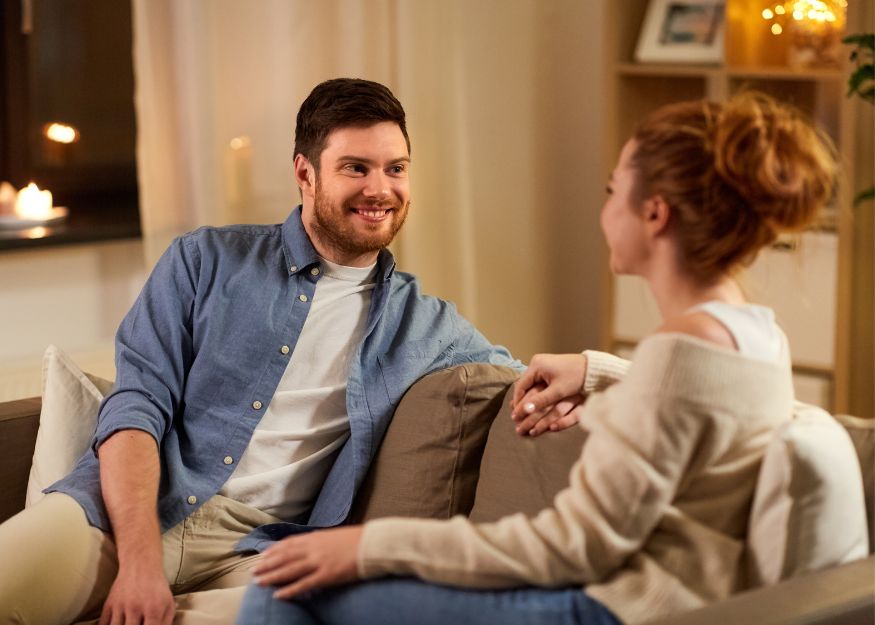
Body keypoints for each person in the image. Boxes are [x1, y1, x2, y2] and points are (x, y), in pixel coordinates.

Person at [235, 91, 838, 625]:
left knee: (282, 587)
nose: (605, 210)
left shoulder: (679, 353)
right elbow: (699, 399)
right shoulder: (752, 334)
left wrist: (366, 547)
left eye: (612, 190)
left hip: (610, 610)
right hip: (650, 597)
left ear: (654, 213)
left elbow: (570, 547)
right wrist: (596, 370)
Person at [0, 77, 579, 625]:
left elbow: (528, 377)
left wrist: (587, 370)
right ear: (305, 172)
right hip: (118, 518)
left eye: (395, 168)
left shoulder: (425, 324)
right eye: (356, 167)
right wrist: (141, 564)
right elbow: (134, 411)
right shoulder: (204, 261)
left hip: (260, 552)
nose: (381, 189)